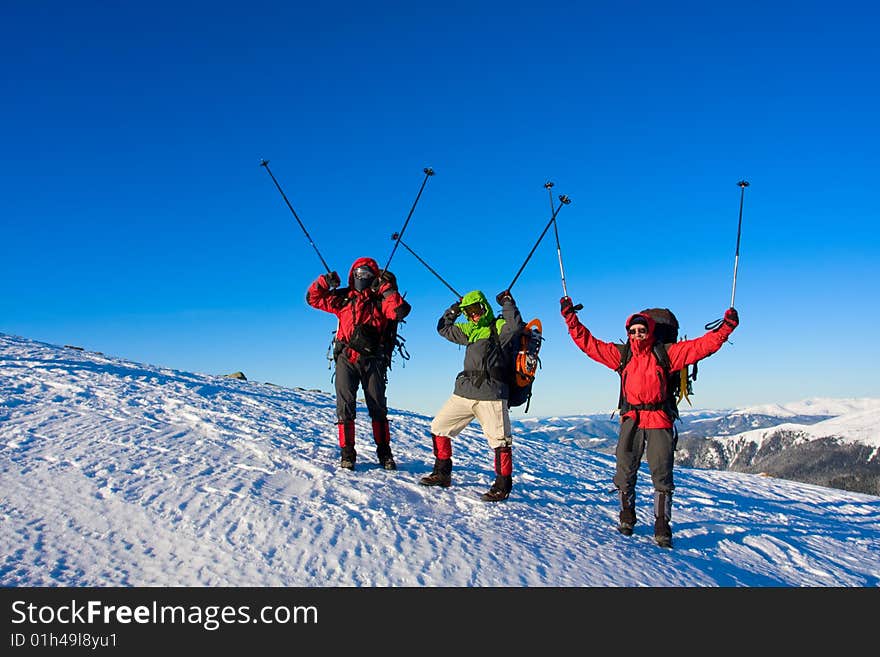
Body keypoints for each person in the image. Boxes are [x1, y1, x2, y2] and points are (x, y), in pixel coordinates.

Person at [559, 297, 739, 547]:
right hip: (632, 418)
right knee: (624, 469)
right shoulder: (622, 355)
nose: (637, 335)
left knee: (662, 474)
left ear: (650, 331)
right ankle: (626, 517)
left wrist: (726, 328)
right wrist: (570, 318)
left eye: (641, 330)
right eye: (632, 331)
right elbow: (589, 344)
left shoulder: (666, 353)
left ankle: (662, 526)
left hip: (658, 417)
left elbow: (702, 347)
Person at [419, 289, 525, 501]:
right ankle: (442, 473)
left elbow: (516, 326)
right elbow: (443, 328)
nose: (473, 315)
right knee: (439, 427)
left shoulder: (498, 327)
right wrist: (455, 309)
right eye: (469, 312)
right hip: (464, 392)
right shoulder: (469, 330)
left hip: (492, 394)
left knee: (500, 441)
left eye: (476, 309)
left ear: (484, 307)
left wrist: (507, 302)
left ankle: (502, 486)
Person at [306, 257, 411, 471]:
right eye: (358, 273)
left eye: (366, 274)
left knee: (377, 407)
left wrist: (386, 289)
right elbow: (313, 298)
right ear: (352, 275)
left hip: (373, 360)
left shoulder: (381, 300)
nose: (362, 277)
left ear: (374, 276)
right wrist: (325, 282)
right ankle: (347, 454)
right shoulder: (343, 298)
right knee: (345, 407)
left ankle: (384, 453)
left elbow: (399, 311)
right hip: (346, 358)